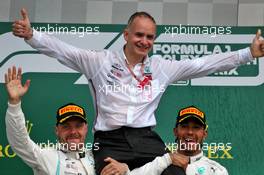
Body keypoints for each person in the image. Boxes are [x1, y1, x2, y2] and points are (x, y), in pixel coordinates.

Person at [12, 8, 264, 175]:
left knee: (177, 171)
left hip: (146, 139)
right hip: (108, 142)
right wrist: (32, 36)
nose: (145, 41)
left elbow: (202, 65)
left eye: (150, 37)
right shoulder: (99, 61)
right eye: (139, 35)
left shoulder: (161, 67)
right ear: (126, 34)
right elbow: (63, 51)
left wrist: (247, 54)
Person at [4, 66, 189, 175]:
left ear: (86, 129)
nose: (73, 132)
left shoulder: (98, 155)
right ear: (57, 131)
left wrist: (126, 167)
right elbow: (20, 141)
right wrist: (14, 103)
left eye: (78, 126)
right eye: (66, 127)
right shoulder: (46, 156)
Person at [173, 106, 228, 174]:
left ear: (204, 134)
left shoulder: (217, 171)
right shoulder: (162, 164)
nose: (190, 132)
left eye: (196, 127)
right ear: (175, 132)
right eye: (184, 126)